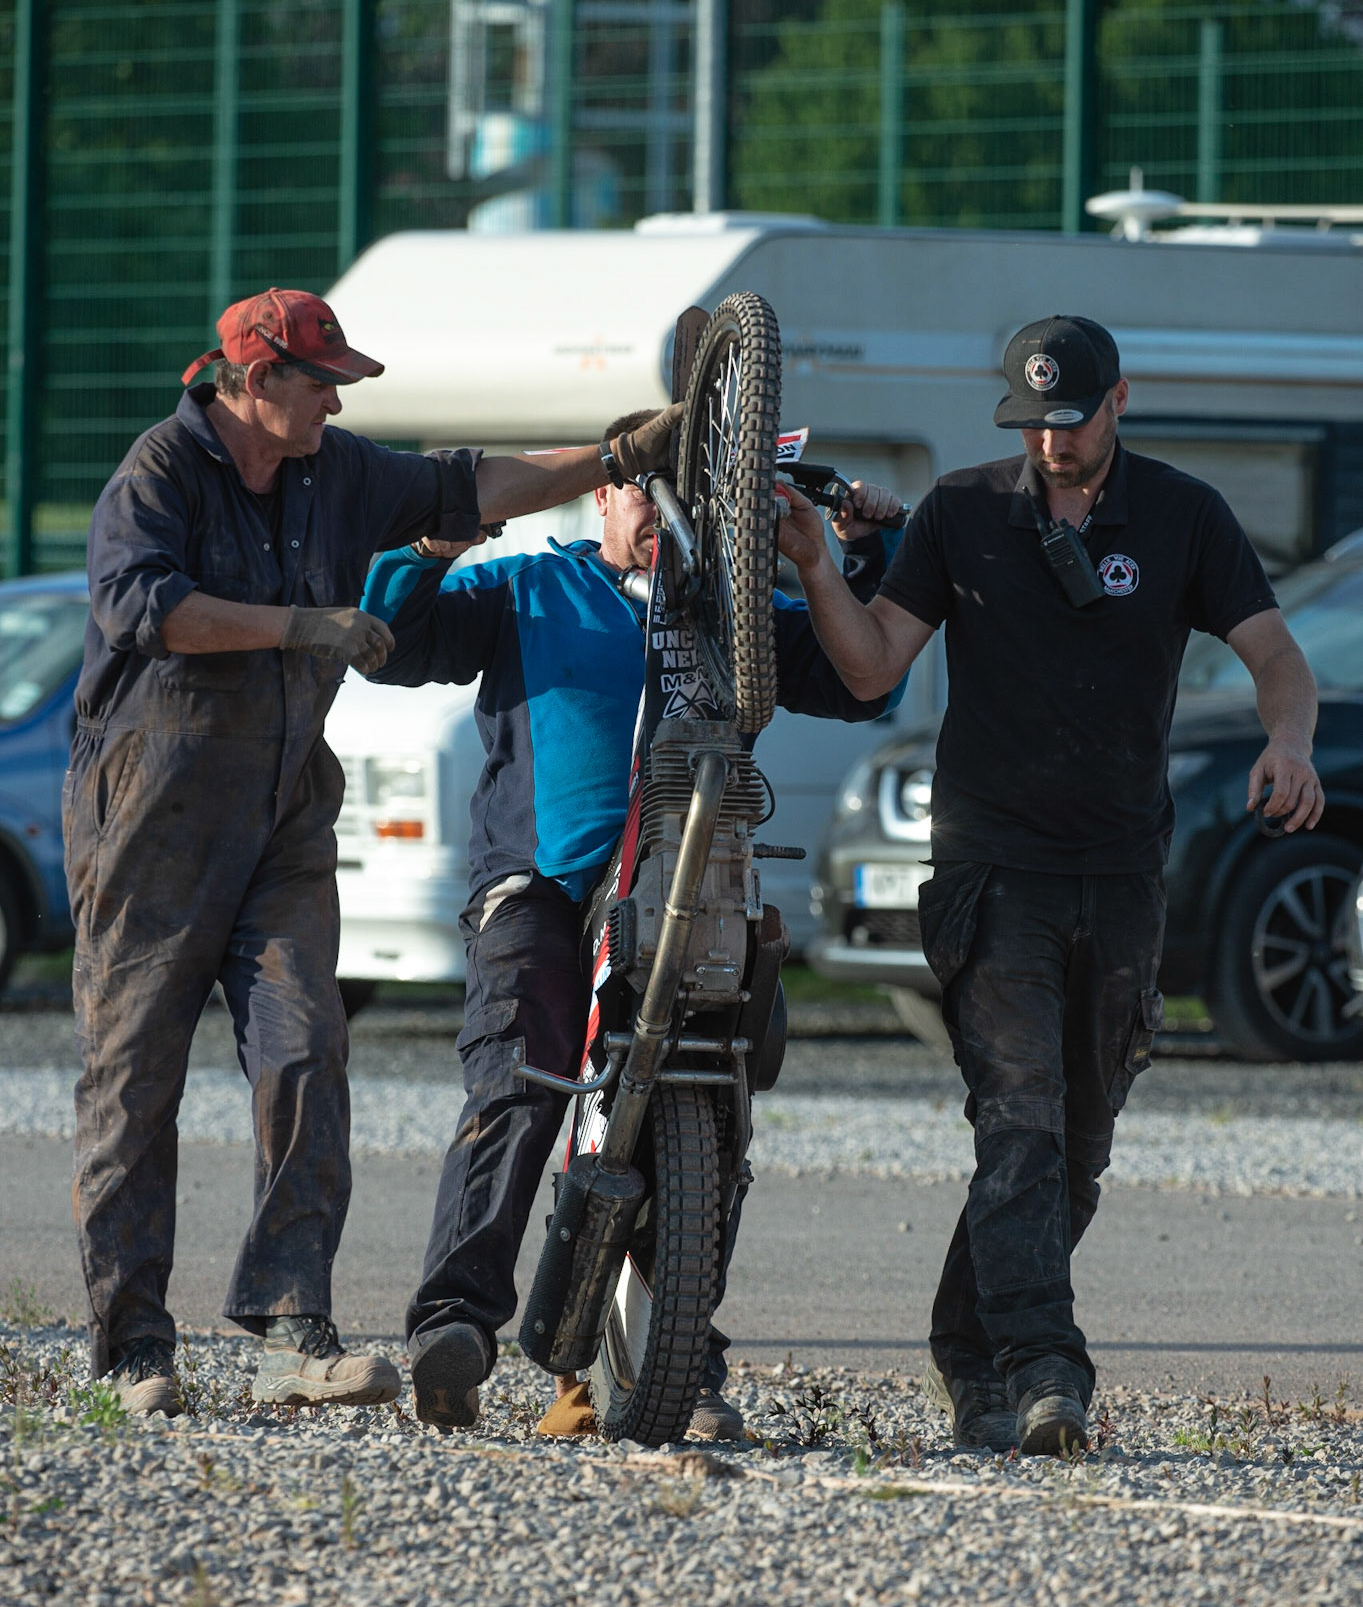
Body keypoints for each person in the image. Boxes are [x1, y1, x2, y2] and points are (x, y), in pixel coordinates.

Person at [68, 289, 680, 1415]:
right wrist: (304, 624)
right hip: (152, 821)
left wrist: (610, 450)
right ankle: (131, 1347)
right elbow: (146, 608)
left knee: (304, 1048)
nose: (338, 398)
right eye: (322, 381)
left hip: (285, 814)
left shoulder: (334, 470)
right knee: (132, 1082)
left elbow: (471, 484)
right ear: (256, 384)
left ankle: (291, 1325)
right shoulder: (158, 471)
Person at [777, 315, 1322, 1456]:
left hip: (1122, 869)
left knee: (1072, 1149)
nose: (1051, 444)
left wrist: (1290, 742)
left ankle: (966, 1349)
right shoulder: (962, 513)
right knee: (1017, 1123)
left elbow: (1275, 655)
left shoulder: (1182, 513)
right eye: (1031, 424)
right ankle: (1043, 1369)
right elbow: (874, 661)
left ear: (1120, 398)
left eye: (1069, 420)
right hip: (992, 865)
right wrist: (820, 569)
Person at [359, 415, 906, 1438]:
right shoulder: (530, 587)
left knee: (706, 1105)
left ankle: (680, 1358)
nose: (660, 510)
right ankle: (453, 1327)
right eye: (641, 487)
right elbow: (391, 640)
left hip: (690, 893)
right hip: (543, 888)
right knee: (521, 1079)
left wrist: (865, 551)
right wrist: (437, 533)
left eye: (683, 493)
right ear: (601, 495)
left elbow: (862, 680)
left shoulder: (740, 616)